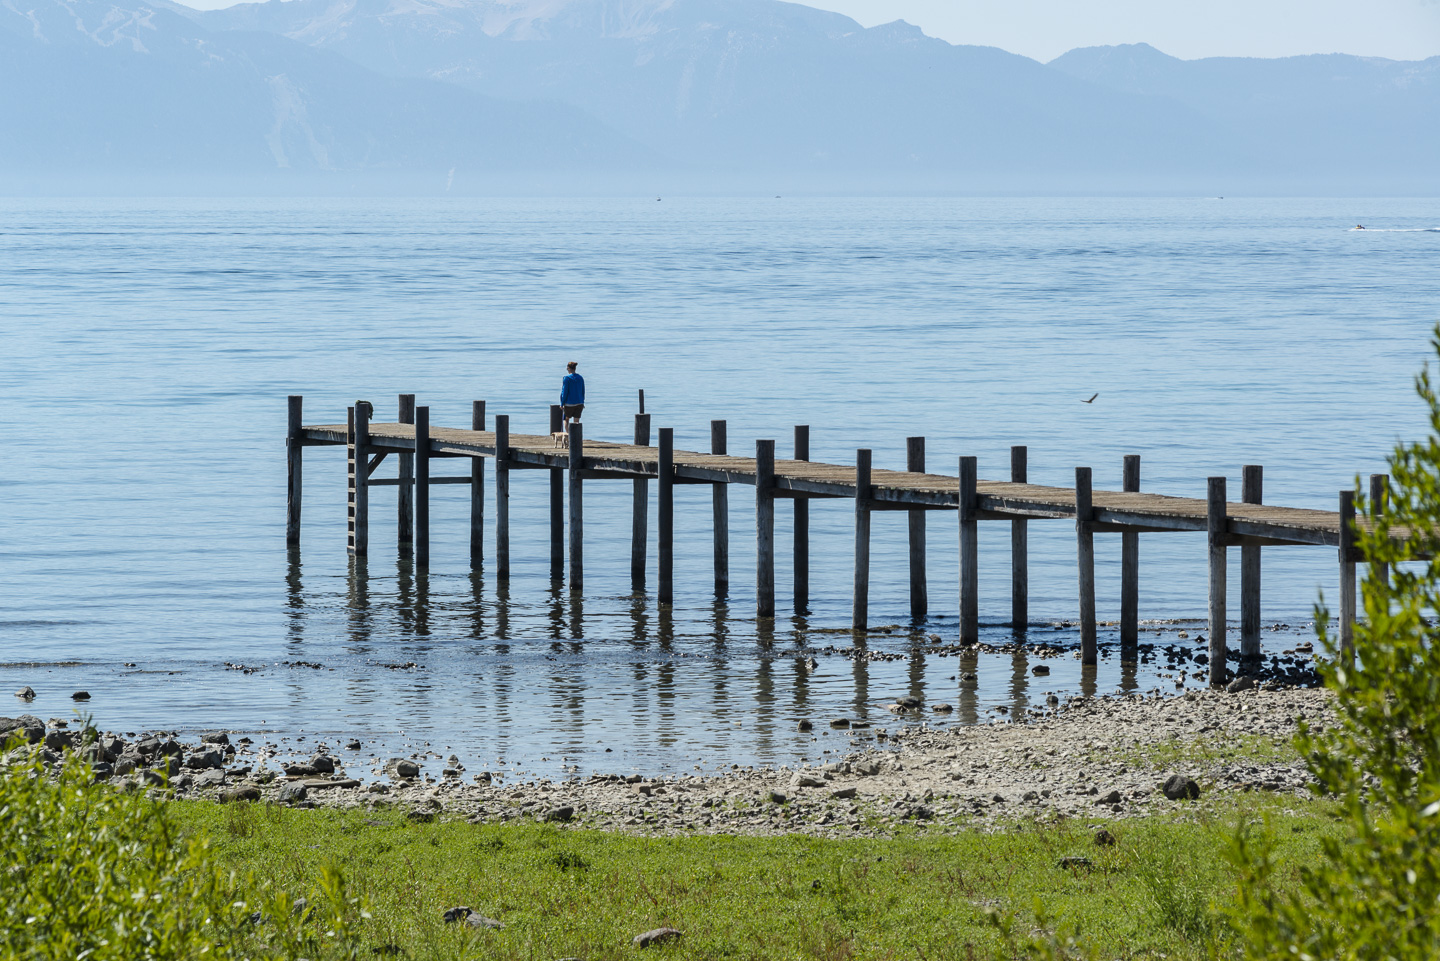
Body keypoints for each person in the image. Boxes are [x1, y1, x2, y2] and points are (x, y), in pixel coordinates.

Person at [560, 361, 585, 433]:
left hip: (569, 403)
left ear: (569, 368)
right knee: (576, 422)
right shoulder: (580, 378)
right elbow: (583, 391)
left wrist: (562, 403)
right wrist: (582, 401)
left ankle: (568, 435)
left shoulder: (567, 378)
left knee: (566, 419)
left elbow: (564, 392)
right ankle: (575, 437)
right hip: (579, 403)